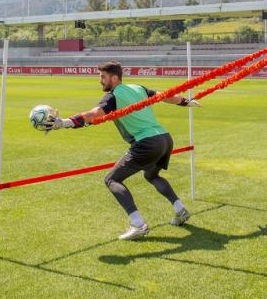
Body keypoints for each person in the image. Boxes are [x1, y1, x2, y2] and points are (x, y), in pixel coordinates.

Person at [43, 60, 201, 240]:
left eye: (103, 77)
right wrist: (185, 102)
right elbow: (165, 96)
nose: (100, 81)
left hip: (147, 142)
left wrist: (63, 123)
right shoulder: (138, 88)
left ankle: (138, 224)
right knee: (151, 175)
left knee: (112, 179)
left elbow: (93, 115)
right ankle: (180, 210)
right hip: (164, 138)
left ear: (115, 77)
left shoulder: (113, 96)